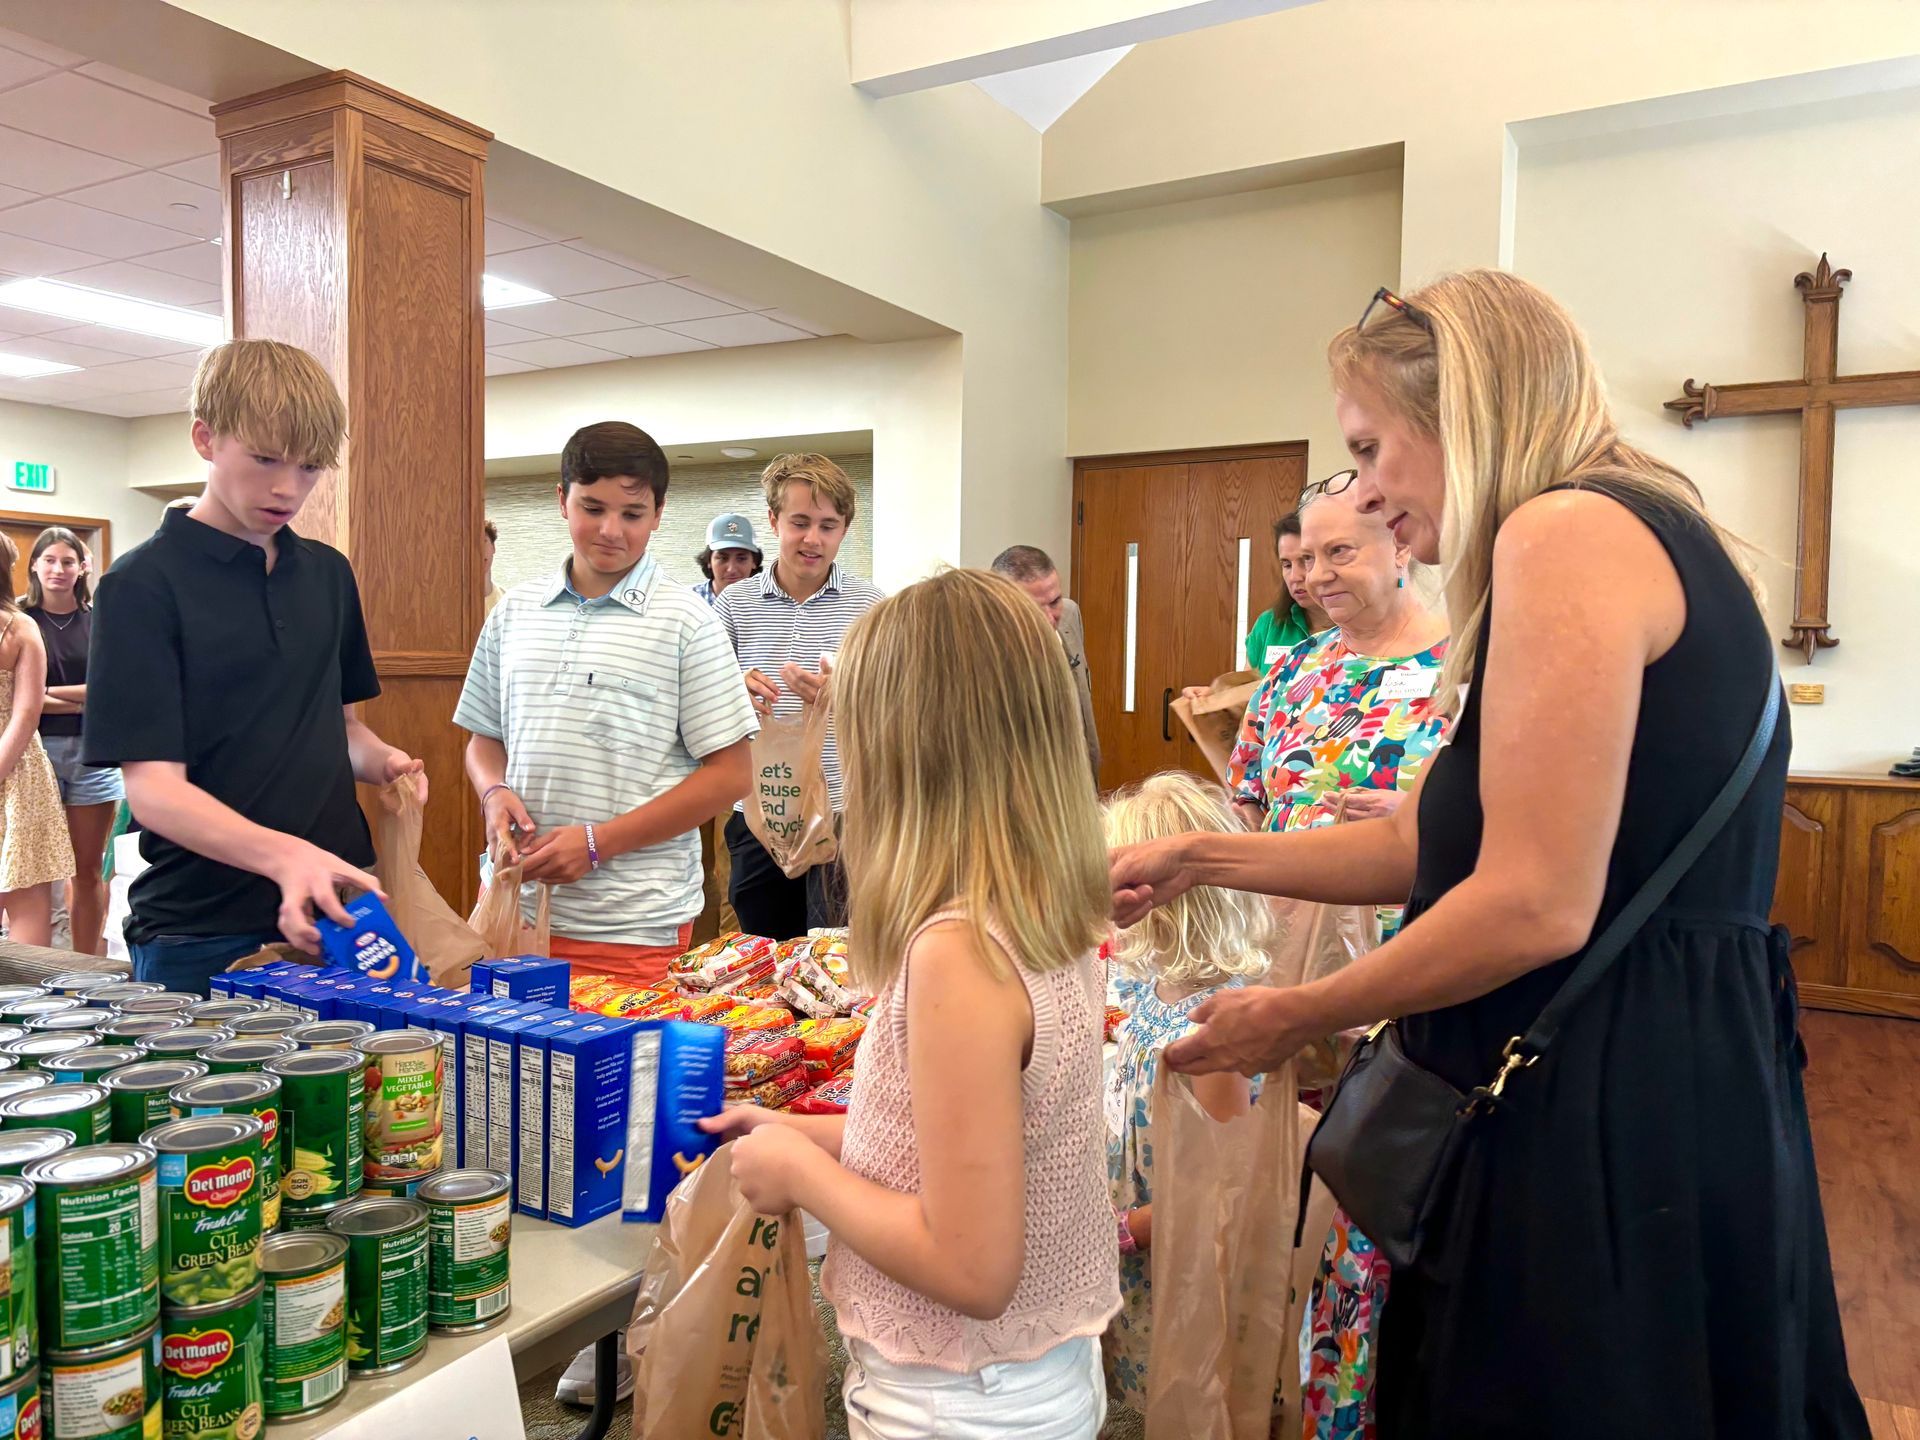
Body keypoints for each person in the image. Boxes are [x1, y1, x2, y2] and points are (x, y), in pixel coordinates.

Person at [1112, 272, 1869, 1439]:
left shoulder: (1564, 529)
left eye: (1370, 451)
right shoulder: (1628, 522)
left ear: (1458, 410)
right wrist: (1208, 855)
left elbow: (1531, 904)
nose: (1364, 492)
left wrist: (1297, 1011)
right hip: (1652, 1057)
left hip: (1597, 1086)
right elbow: (1429, 843)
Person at [702, 568, 1118, 1439]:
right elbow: (974, 1146)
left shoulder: (960, 955)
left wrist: (802, 1175)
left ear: (904, 751)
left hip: (958, 1399)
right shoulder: (1042, 905)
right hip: (1025, 1376)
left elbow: (971, 1267)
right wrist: (791, 1133)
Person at [84, 338, 423, 992]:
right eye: (265, 458)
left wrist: (384, 761)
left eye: (309, 468)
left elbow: (342, 727)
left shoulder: (327, 574)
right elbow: (154, 790)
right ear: (206, 438)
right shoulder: (141, 586)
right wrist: (284, 856)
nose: (286, 488)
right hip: (203, 925)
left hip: (339, 909)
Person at [456, 420, 757, 988]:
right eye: (592, 508)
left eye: (632, 514)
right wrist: (493, 791)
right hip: (508, 904)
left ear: (659, 514)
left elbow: (731, 776)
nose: (610, 530)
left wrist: (597, 845)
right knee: (502, 1074)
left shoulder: (687, 623)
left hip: (631, 926)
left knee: (617, 1079)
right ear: (561, 500)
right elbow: (483, 739)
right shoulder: (514, 612)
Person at [1099, 771, 1268, 1418]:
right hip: (1139, 1252)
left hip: (1175, 1263)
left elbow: (1220, 1191)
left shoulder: (1213, 1031)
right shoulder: (1145, 989)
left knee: (1181, 1395)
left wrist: (1121, 1232)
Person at [716, 453, 883, 939]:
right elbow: (695, 704)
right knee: (759, 952)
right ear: (774, 521)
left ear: (844, 529)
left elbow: (898, 707)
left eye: (828, 525)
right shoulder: (735, 605)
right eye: (800, 522)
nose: (813, 539)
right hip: (759, 809)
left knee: (832, 956)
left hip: (842, 810)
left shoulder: (870, 606)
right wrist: (732, 691)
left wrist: (848, 692)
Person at [24, 526, 122, 954]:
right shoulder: (20, 621)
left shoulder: (100, 620)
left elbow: (112, 689)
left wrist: (44, 696)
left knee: (87, 870)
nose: (58, 569)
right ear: (34, 565)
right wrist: (80, 698)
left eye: (68, 561)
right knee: (36, 868)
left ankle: (84, 965)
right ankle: (40, 963)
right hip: (33, 754)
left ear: (82, 567)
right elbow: (15, 698)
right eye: (49, 560)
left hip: (93, 754)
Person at [0, 532, 75, 946]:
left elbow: (28, 712)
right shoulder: (21, 624)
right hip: (20, 764)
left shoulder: (19, 625)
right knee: (27, 896)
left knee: (27, 893)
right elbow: (27, 713)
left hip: (19, 771)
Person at [990, 545, 1100, 787]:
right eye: (1031, 609)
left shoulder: (1070, 615)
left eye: (1054, 601)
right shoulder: (982, 656)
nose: (1050, 619)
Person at [1243, 509, 1330, 671]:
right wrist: (1212, 695)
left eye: (1305, 560)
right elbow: (1247, 691)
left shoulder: (1359, 628)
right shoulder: (1269, 623)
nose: (1294, 577)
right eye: (1287, 565)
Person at [691, 511, 763, 605]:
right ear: (709, 561)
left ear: (754, 562)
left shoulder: (770, 604)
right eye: (722, 558)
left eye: (741, 559)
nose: (731, 569)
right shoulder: (689, 601)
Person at [482, 518, 504, 617]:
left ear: (493, 547)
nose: (479, 550)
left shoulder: (505, 599)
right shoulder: (454, 604)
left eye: (484, 541)